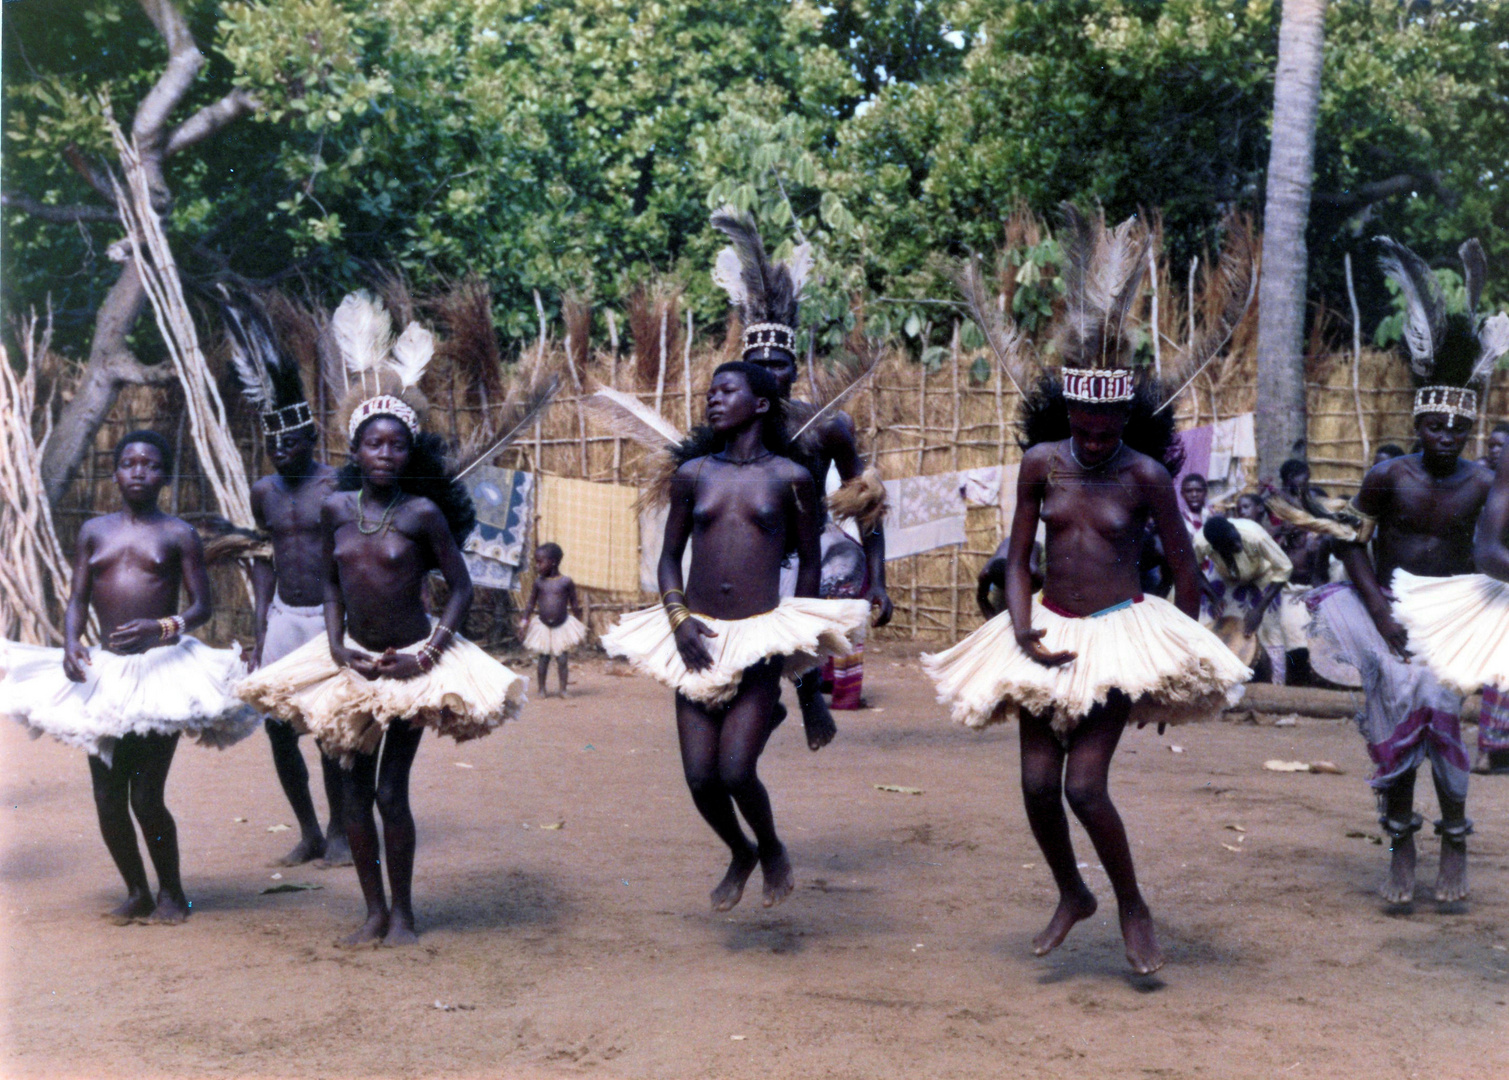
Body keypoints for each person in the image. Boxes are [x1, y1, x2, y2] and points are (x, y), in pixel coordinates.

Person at [923, 206, 1250, 975]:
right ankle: (1073, 892)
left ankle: (1132, 904)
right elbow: (1014, 554)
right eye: (1085, 418)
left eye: (1110, 420)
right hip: (1044, 631)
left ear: (1125, 415)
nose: (1096, 432)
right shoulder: (1040, 461)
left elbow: (1183, 571)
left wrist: (1161, 675)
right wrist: (1017, 623)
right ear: (1068, 409)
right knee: (1036, 784)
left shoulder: (1144, 476)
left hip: (1116, 636)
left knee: (1082, 788)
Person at [237, 292, 526, 945]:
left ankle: (404, 912)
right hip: (352, 663)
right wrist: (336, 645)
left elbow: (459, 585)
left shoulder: (422, 516)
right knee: (351, 788)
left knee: (390, 791)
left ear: (408, 451)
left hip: (409, 665)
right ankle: (371, 911)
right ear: (356, 449)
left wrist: (431, 651)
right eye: (374, 443)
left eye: (397, 444)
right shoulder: (336, 511)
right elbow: (334, 585)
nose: (386, 454)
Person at [601, 361, 869, 911]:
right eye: (710, 392)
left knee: (735, 769)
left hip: (759, 639)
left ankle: (771, 848)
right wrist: (677, 619)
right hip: (694, 636)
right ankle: (739, 850)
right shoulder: (693, 474)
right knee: (701, 779)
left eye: (728, 391)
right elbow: (670, 558)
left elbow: (812, 565)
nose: (713, 400)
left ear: (762, 404)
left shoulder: (791, 480)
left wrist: (796, 636)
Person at [1309, 237, 1500, 906]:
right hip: (1383, 611)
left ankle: (1453, 838)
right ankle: (1399, 844)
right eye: (1434, 426)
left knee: (1439, 715)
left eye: (1456, 427)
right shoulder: (1388, 475)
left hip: (1450, 620)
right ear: (1417, 423)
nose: (1445, 437)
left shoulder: (1485, 483)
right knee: (1390, 730)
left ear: (1468, 427)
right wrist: (1381, 611)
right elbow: (1347, 543)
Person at [1, 431, 259, 924]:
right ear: (115, 472)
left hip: (159, 674)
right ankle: (137, 890)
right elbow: (77, 598)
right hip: (106, 675)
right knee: (106, 796)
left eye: (151, 464)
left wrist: (161, 627)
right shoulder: (94, 532)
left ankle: (173, 893)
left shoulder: (178, 534)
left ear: (163, 475)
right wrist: (73, 640)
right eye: (129, 463)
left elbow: (202, 607)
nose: (139, 471)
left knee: (146, 794)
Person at [709, 207, 890, 752]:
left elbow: (867, 504)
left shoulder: (828, 426)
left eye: (780, 364)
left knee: (826, 576)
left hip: (810, 555)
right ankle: (768, 708)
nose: (772, 373)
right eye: (759, 363)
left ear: (794, 367)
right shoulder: (725, 430)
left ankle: (810, 689)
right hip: (746, 557)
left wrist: (879, 577)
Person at [221, 287, 350, 868]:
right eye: (272, 441)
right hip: (283, 618)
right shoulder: (263, 492)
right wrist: (258, 629)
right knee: (278, 730)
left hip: (331, 619)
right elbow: (263, 556)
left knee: (330, 730)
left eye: (290, 440)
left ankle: (342, 829)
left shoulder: (336, 486)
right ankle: (309, 831)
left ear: (312, 439)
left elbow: (355, 556)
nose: (279, 450)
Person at [1196, 515, 1294, 683]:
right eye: (1231, 545)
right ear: (1216, 548)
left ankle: (1277, 688)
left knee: (1271, 630)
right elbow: (1193, 567)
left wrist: (1259, 609)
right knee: (1211, 625)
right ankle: (1215, 683)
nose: (1238, 545)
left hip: (1263, 576)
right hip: (1226, 576)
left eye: (1237, 539)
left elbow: (1285, 567)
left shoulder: (1255, 535)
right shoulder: (1201, 543)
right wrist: (1214, 597)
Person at [519, 542, 586, 697]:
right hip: (543, 626)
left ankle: (563, 689)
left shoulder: (566, 582)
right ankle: (542, 689)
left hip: (561, 626)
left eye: (540, 562)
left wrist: (579, 623)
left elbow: (574, 604)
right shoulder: (539, 583)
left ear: (553, 562)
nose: (537, 566)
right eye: (536, 562)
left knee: (562, 659)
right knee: (543, 658)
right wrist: (524, 622)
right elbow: (530, 604)